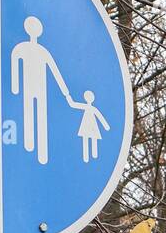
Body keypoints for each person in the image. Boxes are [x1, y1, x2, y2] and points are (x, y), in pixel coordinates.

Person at [10, 16, 70, 164]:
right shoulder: (22, 48)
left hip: (41, 87)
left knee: (39, 114)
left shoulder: (41, 51)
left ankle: (40, 151)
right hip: (28, 85)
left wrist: (65, 92)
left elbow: (55, 71)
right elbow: (14, 64)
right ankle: (29, 146)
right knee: (29, 112)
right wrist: (15, 86)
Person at [68, 90, 109, 162]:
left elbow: (100, 116)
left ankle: (93, 156)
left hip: (92, 124)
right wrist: (68, 98)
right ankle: (86, 157)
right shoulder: (87, 107)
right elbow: (73, 104)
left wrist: (106, 126)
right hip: (86, 124)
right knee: (86, 138)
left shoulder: (92, 108)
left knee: (92, 138)